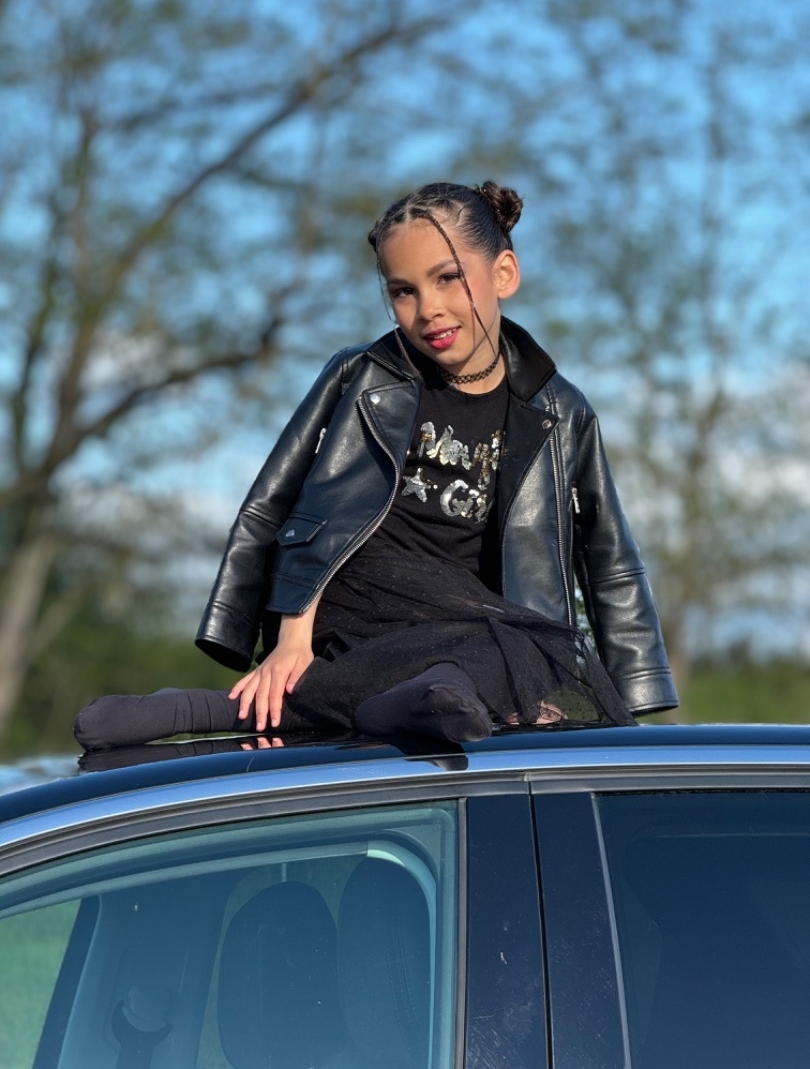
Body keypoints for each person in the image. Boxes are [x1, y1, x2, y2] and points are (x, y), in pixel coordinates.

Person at [75, 181, 677, 751]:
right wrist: (290, 638)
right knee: (492, 654)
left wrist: (637, 695)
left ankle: (217, 710)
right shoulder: (364, 377)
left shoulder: (560, 410)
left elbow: (610, 559)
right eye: (403, 291)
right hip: (360, 599)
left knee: (520, 646)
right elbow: (286, 502)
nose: (428, 309)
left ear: (503, 274)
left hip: (478, 627)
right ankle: (414, 701)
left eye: (447, 278)